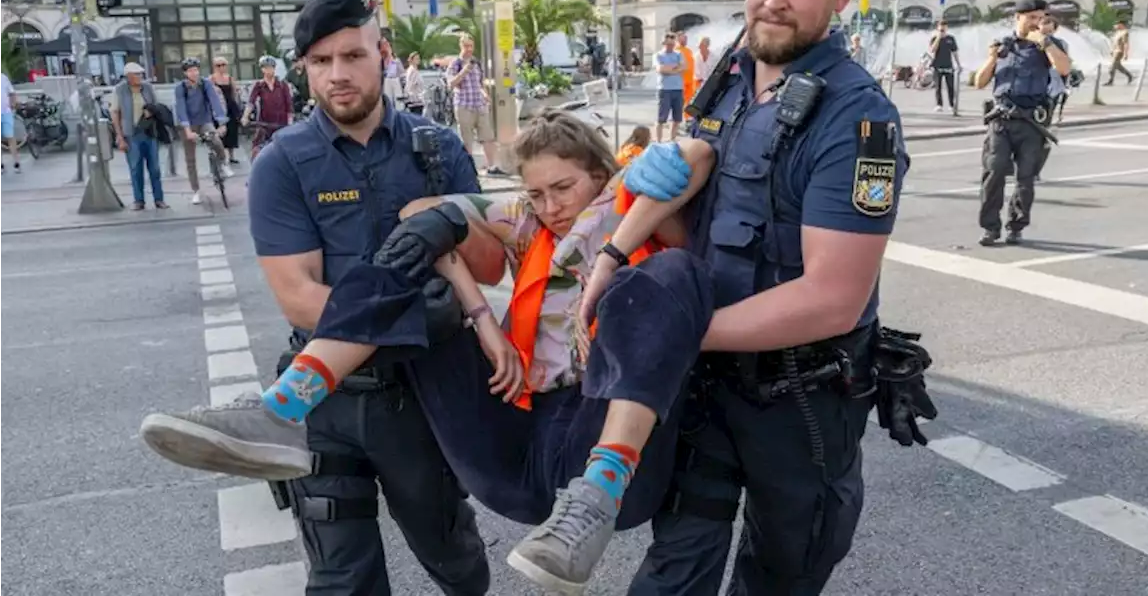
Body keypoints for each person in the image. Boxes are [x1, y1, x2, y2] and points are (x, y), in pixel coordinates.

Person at [142, 106, 721, 595]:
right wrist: (480, 318)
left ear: (599, 173)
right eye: (536, 193)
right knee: (423, 248)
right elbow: (419, 215)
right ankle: (286, 407)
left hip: (603, 437)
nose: (550, 207)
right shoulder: (524, 223)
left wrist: (611, 261)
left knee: (674, 271)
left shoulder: (626, 202)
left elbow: (697, 158)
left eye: (564, 188)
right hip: (517, 447)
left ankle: (598, 495)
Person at [619, 0, 936, 594]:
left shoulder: (859, 121)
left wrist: (678, 331)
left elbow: (832, 297)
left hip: (798, 406)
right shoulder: (729, 88)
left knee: (777, 579)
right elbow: (700, 238)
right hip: (707, 393)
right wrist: (645, 208)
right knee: (670, 577)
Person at [139, 0, 491, 596]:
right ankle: (274, 414)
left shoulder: (436, 148)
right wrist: (419, 315)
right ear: (303, 69)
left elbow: (489, 269)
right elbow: (298, 296)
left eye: (353, 55)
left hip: (427, 397)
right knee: (341, 581)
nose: (338, 75)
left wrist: (450, 211)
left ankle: (271, 411)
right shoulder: (283, 162)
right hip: (329, 402)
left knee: (457, 562)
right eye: (321, 61)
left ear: (381, 55)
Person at [973, 0, 1072, 246]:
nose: (1038, 23)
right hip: (1001, 120)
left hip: (1031, 122)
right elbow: (979, 82)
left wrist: (1046, 43)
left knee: (1025, 178)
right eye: (1032, 18)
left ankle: (1016, 226)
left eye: (1041, 18)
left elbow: (1063, 69)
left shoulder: (1050, 45)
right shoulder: (1003, 46)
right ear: (1018, 18)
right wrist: (992, 58)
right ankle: (990, 228)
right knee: (993, 173)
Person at [172, 57, 231, 205]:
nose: (194, 73)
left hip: (204, 120)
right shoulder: (181, 88)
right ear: (185, 73)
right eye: (191, 70)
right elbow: (181, 109)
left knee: (216, 140)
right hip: (188, 124)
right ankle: (196, 191)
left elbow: (214, 102)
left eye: (196, 70)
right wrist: (187, 130)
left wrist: (222, 123)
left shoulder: (205, 84)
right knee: (190, 159)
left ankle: (223, 162)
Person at [110, 62, 168, 210]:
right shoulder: (120, 90)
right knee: (135, 168)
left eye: (141, 74)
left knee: (154, 168)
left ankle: (159, 199)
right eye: (136, 74)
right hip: (131, 133)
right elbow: (115, 112)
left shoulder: (147, 88)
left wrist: (151, 111)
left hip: (149, 132)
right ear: (128, 76)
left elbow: (157, 106)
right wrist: (119, 136)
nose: (139, 77)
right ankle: (139, 200)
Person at [447, 34, 503, 175]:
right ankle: (470, 169)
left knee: (488, 137)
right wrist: (464, 71)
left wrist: (485, 94)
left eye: (471, 46)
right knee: (467, 139)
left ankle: (492, 166)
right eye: (466, 46)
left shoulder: (476, 63)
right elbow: (451, 84)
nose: (469, 49)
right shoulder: (456, 63)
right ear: (461, 46)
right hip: (464, 106)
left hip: (479, 104)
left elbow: (479, 83)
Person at [1035, 16, 1069, 181]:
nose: (1045, 29)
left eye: (1049, 26)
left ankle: (1035, 168)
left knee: (1043, 132)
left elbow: (1064, 67)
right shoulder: (1030, 42)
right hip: (1033, 92)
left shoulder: (1060, 44)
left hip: (1051, 93)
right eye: (1043, 25)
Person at [243, 56, 293, 160]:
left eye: (271, 67)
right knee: (257, 147)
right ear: (262, 69)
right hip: (265, 123)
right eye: (266, 68)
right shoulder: (259, 85)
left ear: (274, 68)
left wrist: (290, 122)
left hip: (281, 123)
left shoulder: (283, 85)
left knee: (285, 149)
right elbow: (251, 102)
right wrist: (245, 116)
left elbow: (289, 105)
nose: (269, 70)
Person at [210, 57, 243, 165]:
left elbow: (234, 92)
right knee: (219, 133)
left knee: (232, 131)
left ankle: (231, 156)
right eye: (218, 65)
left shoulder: (229, 78)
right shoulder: (211, 79)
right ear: (214, 67)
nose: (221, 67)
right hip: (218, 108)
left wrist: (237, 105)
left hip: (230, 107)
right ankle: (221, 156)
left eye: (223, 65)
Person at [653, 33, 685, 143]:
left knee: (677, 118)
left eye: (672, 44)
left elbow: (683, 67)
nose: (670, 46)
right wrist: (675, 68)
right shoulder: (658, 55)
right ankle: (658, 141)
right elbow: (660, 69)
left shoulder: (678, 54)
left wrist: (669, 69)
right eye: (668, 44)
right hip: (664, 89)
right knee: (661, 118)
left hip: (678, 89)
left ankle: (672, 139)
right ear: (664, 43)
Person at [929, 20, 960, 114]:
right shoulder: (934, 38)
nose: (942, 28)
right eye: (940, 27)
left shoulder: (951, 39)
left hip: (948, 65)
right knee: (938, 86)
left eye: (944, 26)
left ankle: (951, 104)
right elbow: (932, 50)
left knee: (950, 86)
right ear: (937, 28)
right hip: (937, 65)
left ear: (947, 28)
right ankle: (939, 105)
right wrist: (939, 38)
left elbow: (955, 52)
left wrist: (958, 64)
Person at [1105, 21, 1133, 86]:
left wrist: (1126, 54)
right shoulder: (1117, 32)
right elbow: (1115, 42)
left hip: (1119, 52)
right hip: (1115, 51)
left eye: (1116, 25)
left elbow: (1126, 44)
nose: (1115, 26)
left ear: (1121, 25)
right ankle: (1129, 76)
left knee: (1112, 67)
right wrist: (1112, 50)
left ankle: (1110, 81)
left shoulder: (1125, 32)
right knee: (1118, 66)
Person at [0, 68, 16, 174]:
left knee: (10, 137)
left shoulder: (3, 78)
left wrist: (13, 104)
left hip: (6, 112)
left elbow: (12, 92)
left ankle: (16, 163)